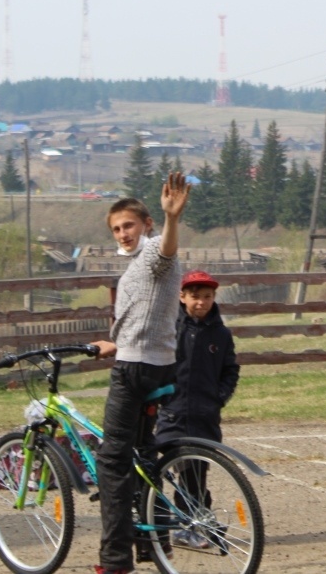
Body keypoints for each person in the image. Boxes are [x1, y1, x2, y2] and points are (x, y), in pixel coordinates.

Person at [90, 172, 190, 574]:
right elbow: (147, 315)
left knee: (111, 462)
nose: (122, 233)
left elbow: (165, 251)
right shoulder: (137, 265)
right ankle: (155, 545)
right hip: (156, 363)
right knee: (144, 456)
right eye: (116, 228)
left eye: (128, 225)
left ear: (145, 224)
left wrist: (171, 218)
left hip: (135, 371)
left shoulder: (153, 255)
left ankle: (115, 561)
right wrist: (116, 341)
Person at [155, 270, 240, 550]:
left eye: (207, 297)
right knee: (170, 469)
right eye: (194, 297)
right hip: (172, 414)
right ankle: (181, 522)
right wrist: (160, 396)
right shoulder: (171, 328)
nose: (201, 303)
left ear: (214, 298)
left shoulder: (221, 334)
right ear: (182, 297)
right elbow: (158, 364)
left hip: (205, 417)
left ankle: (195, 524)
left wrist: (218, 397)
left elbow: (230, 369)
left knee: (195, 472)